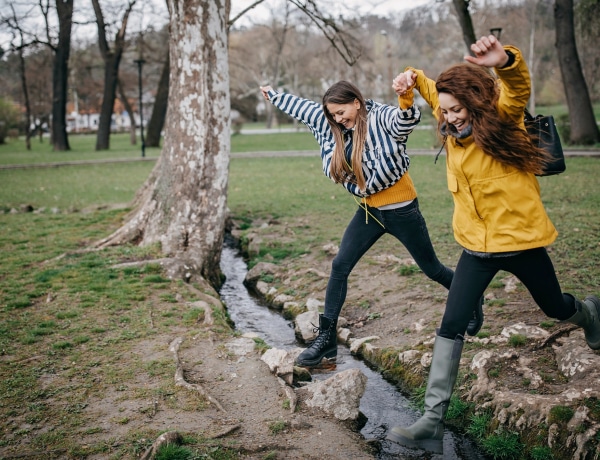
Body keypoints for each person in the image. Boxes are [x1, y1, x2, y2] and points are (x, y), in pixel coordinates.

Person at [386, 35, 600, 454]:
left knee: (555, 308)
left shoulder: (503, 119)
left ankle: (590, 313)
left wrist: (506, 62)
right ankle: (432, 421)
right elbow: (432, 89)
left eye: (456, 110)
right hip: (475, 251)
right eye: (444, 111)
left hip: (521, 244)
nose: (448, 117)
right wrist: (410, 77)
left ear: (477, 103)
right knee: (450, 325)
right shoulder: (449, 116)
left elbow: (517, 89)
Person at [259, 80, 484, 368]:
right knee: (340, 266)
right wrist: (273, 95)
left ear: (356, 101)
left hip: (402, 210)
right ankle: (326, 342)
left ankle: (473, 298)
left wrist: (404, 97)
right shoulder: (333, 126)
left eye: (342, 112)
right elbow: (301, 107)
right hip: (369, 212)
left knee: (432, 269)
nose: (339, 120)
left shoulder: (381, 118)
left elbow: (405, 119)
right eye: (334, 116)